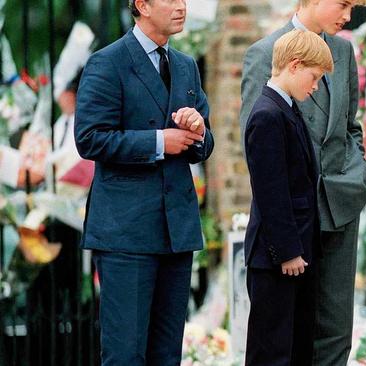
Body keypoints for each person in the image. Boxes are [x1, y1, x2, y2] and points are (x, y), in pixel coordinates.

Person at [74, 0, 214, 364]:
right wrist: (158, 142)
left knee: (167, 355)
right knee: (125, 355)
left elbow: (205, 143)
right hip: (126, 233)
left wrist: (198, 131)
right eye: (171, 0)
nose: (182, 7)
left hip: (177, 231)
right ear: (142, 5)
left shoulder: (186, 66)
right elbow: (89, 137)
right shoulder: (108, 62)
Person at [240, 1, 366, 363]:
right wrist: (284, 238)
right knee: (287, 334)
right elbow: (259, 148)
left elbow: (350, 125)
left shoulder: (343, 50)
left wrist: (358, 174)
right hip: (294, 218)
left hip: (341, 204)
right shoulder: (266, 53)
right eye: (343, 4)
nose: (348, 15)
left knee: (336, 325)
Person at [243, 29, 333, 366]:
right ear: (294, 66)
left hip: (293, 254)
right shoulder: (268, 115)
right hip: (277, 257)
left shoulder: (286, 109)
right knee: (273, 350)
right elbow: (272, 191)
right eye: (314, 77)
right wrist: (288, 251)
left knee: (296, 347)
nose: (315, 87)